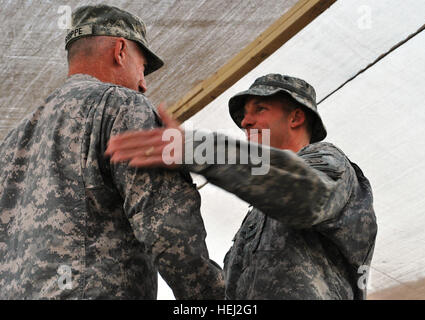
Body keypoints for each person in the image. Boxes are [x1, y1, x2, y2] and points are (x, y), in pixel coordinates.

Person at [0, 4, 224, 299]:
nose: (143, 84)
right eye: (143, 69)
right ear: (120, 50)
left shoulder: (12, 141)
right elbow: (169, 231)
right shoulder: (123, 106)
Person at [105, 74, 378, 299]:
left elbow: (307, 198)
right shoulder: (259, 217)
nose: (246, 122)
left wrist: (200, 150)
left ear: (295, 118)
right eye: (244, 115)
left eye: (260, 109)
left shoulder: (330, 164)